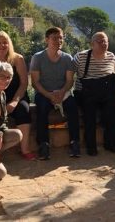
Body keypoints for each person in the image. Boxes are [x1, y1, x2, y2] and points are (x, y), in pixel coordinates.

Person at [0, 31, 34, 160]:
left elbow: (24, 83)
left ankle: (25, 149)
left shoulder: (17, 59)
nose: (2, 45)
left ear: (9, 44)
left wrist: (14, 102)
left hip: (14, 95)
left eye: (5, 42)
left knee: (23, 110)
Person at [30, 27, 80, 160]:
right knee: (42, 108)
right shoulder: (38, 57)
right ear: (47, 40)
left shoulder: (67, 58)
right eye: (54, 38)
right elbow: (35, 83)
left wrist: (62, 92)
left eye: (61, 38)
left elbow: (70, 81)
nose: (58, 41)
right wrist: (49, 95)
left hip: (63, 92)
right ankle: (43, 144)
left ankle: (75, 142)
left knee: (73, 107)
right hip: (44, 93)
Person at [73, 32, 115, 155]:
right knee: (89, 116)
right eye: (100, 41)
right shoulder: (81, 57)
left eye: (105, 41)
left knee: (113, 114)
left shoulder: (111, 56)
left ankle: (111, 143)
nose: (103, 44)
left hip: (106, 92)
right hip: (86, 92)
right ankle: (91, 147)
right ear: (92, 44)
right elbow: (69, 73)